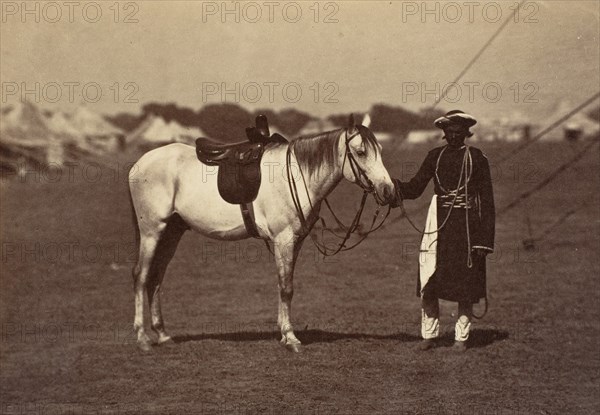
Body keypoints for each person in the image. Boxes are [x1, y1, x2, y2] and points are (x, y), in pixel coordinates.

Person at [391, 110, 495, 352]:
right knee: (430, 280)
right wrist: (391, 188)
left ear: (466, 132)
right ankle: (429, 335)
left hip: (467, 228)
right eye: (450, 131)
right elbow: (415, 188)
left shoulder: (477, 158)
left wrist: (484, 241)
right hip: (436, 225)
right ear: (444, 133)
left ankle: (461, 338)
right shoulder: (434, 157)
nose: (454, 135)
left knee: (465, 284)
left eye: (459, 131)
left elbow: (487, 201)